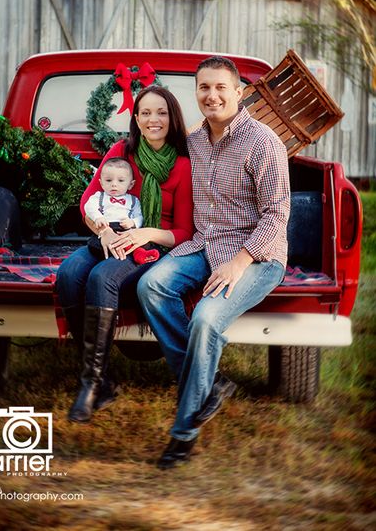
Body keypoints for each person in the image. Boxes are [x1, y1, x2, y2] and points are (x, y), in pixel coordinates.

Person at [138, 56, 290, 469]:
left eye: (221, 87)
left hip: (257, 254)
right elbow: (147, 150)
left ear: (239, 93)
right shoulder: (194, 141)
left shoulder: (263, 142)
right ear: (197, 93)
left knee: (206, 319)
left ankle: (183, 434)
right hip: (205, 245)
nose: (212, 95)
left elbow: (277, 215)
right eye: (204, 87)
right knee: (150, 286)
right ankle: (210, 383)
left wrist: (240, 262)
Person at [55, 85, 194, 423]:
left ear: (172, 117)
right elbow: (87, 201)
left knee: (102, 277)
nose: (153, 119)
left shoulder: (184, 164)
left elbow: (185, 232)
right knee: (70, 274)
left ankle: (89, 385)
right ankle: (102, 382)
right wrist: (102, 230)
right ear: (136, 118)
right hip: (108, 236)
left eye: (161, 112)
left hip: (151, 244)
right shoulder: (121, 150)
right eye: (145, 112)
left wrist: (143, 233)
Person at [84, 156, 160, 264]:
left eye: (121, 180)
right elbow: (88, 206)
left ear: (130, 184)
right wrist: (98, 217)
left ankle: (139, 253)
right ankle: (111, 252)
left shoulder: (133, 200)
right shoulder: (99, 196)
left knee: (140, 242)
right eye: (109, 180)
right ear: (101, 183)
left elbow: (140, 216)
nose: (114, 184)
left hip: (124, 230)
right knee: (93, 243)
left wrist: (133, 222)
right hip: (107, 227)